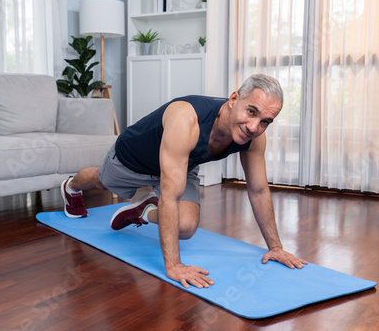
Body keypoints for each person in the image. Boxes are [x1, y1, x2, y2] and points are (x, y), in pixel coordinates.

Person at [61, 74, 308, 289]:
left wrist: (275, 247)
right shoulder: (187, 118)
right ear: (233, 100)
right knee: (101, 180)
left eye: (265, 121)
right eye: (251, 111)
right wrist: (174, 266)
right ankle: (71, 186)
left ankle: (145, 209)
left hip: (180, 164)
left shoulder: (254, 138)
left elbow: (258, 190)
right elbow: (170, 196)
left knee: (187, 227)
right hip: (132, 159)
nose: (254, 126)